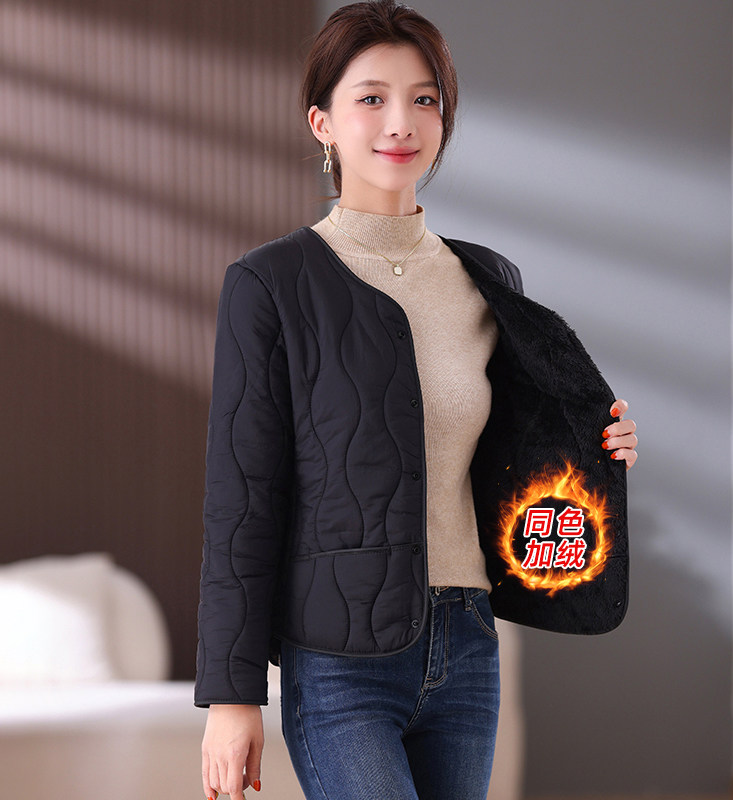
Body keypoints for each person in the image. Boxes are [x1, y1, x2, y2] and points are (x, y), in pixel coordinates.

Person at [195, 2, 639, 799]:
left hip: (467, 645)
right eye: (371, 98)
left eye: (424, 99)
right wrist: (232, 696)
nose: (401, 122)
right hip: (339, 662)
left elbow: (513, 459)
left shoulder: (488, 280)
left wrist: (598, 448)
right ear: (322, 122)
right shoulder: (271, 284)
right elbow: (242, 497)